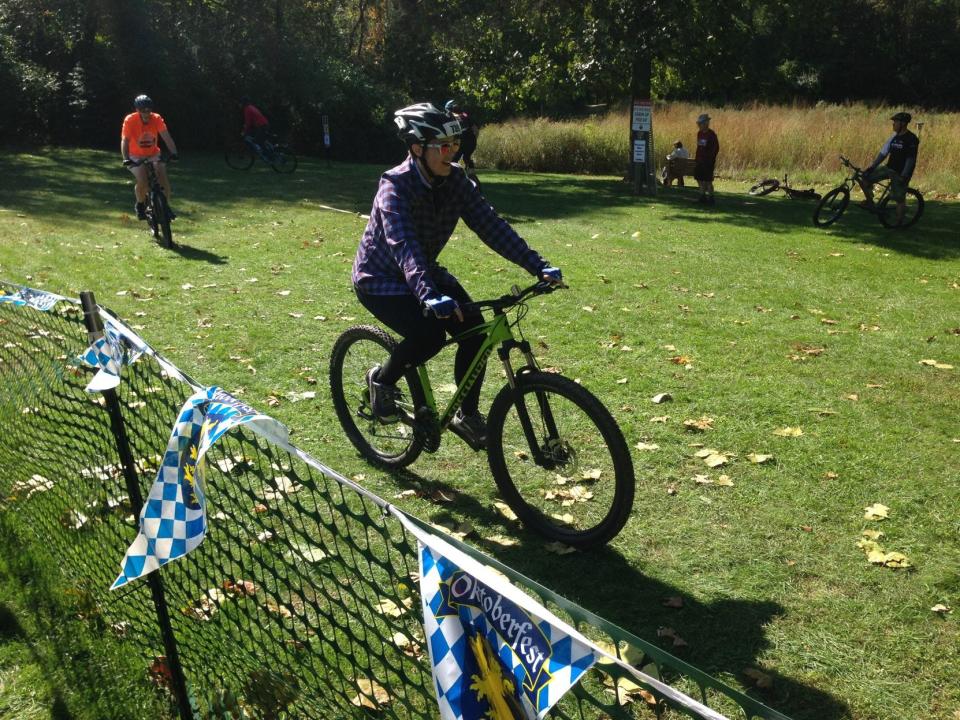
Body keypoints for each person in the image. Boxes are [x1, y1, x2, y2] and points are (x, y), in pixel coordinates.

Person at [351, 102, 562, 448]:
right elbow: (404, 246)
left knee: (476, 332)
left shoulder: (457, 181)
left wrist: (536, 264)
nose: (452, 153)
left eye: (455, 145)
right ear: (417, 148)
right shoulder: (394, 186)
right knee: (429, 335)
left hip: (423, 271)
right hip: (381, 279)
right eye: (443, 147)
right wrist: (428, 293)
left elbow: (491, 226)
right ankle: (383, 381)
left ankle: (468, 416)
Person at [121, 95, 178, 220]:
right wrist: (126, 158)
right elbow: (125, 141)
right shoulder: (130, 120)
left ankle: (166, 206)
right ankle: (140, 204)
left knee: (163, 178)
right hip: (134, 155)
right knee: (143, 181)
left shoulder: (156, 118)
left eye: (148, 109)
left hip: (153, 154)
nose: (146, 113)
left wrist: (174, 152)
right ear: (137, 110)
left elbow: (166, 137)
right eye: (143, 110)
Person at [860, 111, 919, 225]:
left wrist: (904, 175)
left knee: (898, 198)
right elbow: (883, 154)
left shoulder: (911, 139)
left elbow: (911, 159)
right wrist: (872, 167)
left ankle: (898, 223)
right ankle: (869, 201)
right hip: (889, 168)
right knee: (865, 178)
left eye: (895, 122)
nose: (893, 124)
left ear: (903, 123)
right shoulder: (894, 137)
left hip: (901, 173)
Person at [444, 99, 480, 173]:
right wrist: (473, 140)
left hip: (460, 140)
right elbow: (476, 130)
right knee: (466, 158)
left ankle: (453, 174)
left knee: (454, 158)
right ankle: (471, 174)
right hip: (471, 140)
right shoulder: (465, 115)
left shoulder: (450, 116)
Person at [694, 113, 719, 204]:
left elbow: (715, 148)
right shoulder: (699, 133)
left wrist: (710, 159)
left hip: (708, 162)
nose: (698, 125)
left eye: (700, 123)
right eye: (698, 123)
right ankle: (702, 197)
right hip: (699, 161)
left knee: (708, 181)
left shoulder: (711, 135)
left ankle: (711, 198)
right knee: (699, 179)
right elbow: (699, 147)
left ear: (706, 123)